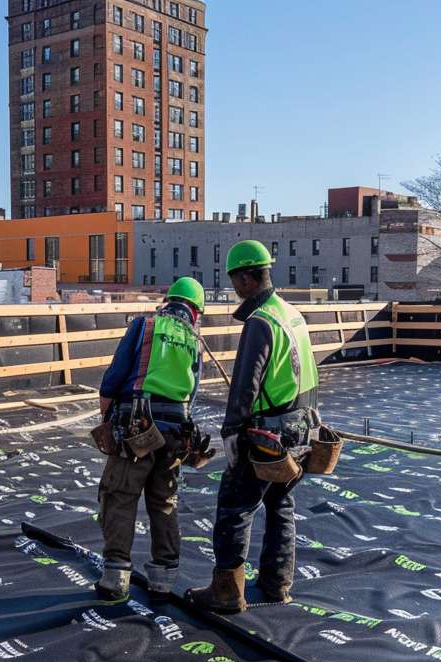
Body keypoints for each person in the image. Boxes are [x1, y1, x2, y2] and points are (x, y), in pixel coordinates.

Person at [186, 240, 319, 614]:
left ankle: (227, 591)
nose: (234, 289)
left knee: (235, 505)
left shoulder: (261, 323)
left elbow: (246, 383)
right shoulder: (291, 314)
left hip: (268, 432)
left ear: (246, 278)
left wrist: (232, 432)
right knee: (280, 503)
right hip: (300, 428)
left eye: (234, 281)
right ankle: (277, 584)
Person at [94, 277, 208, 602]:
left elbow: (113, 378)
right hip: (175, 432)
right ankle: (163, 583)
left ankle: (115, 580)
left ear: (167, 301)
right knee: (164, 502)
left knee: (120, 496)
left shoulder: (145, 326)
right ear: (195, 312)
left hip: (137, 426)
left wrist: (105, 419)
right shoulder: (194, 339)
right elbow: (192, 393)